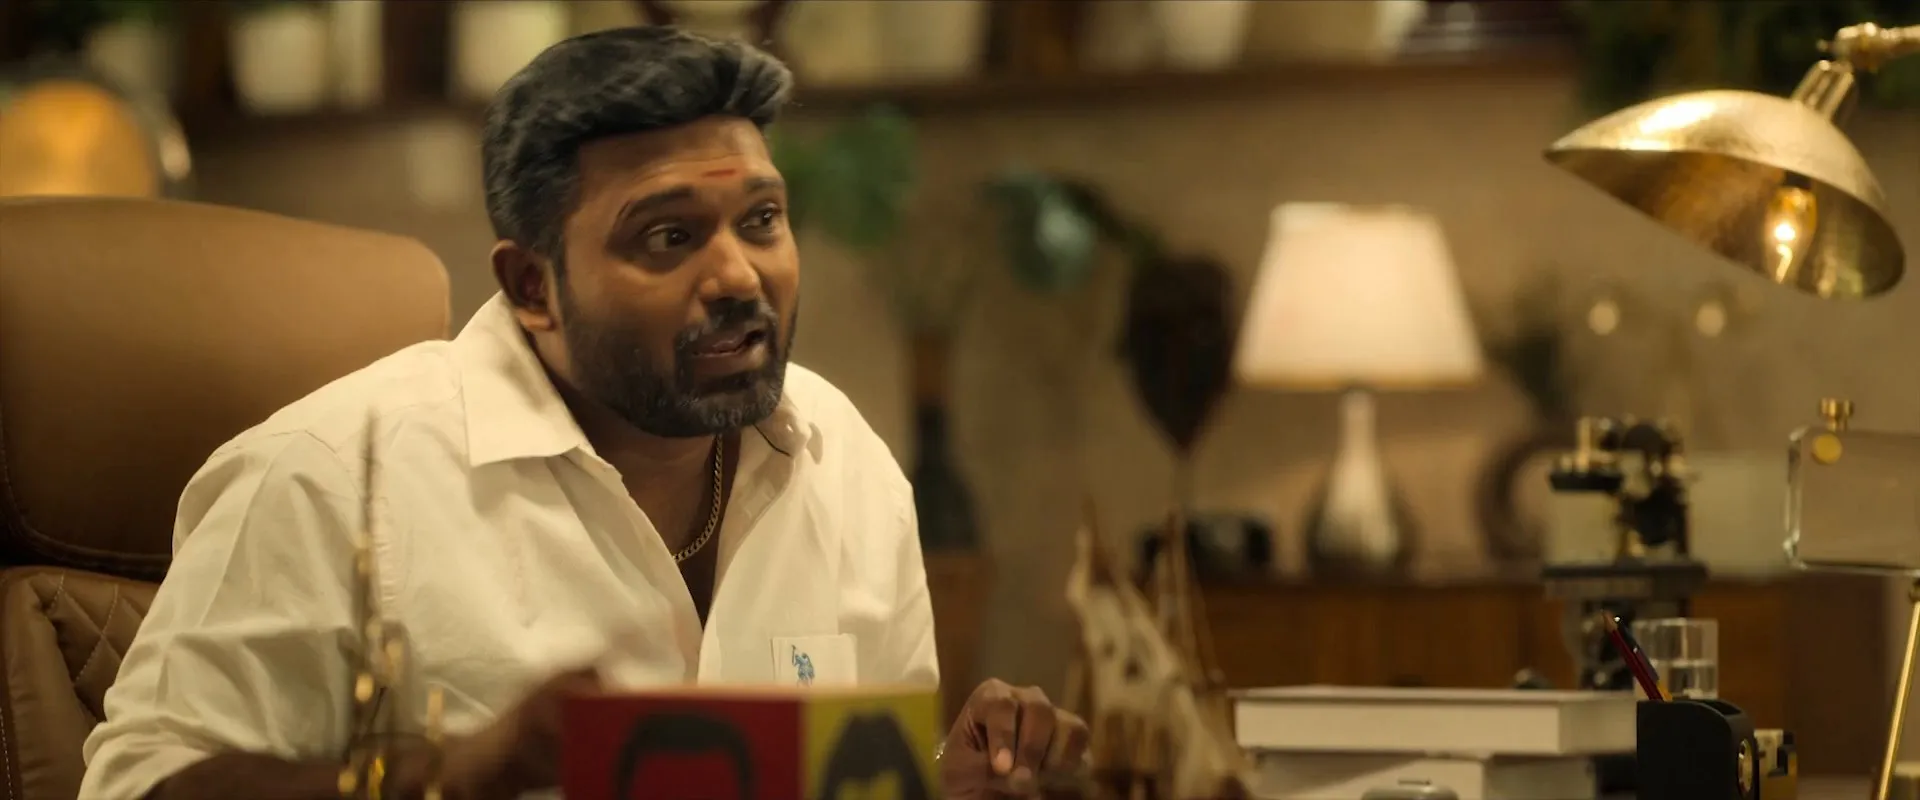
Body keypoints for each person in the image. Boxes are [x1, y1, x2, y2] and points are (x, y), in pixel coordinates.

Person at [79, 25, 1086, 800]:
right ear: (534, 286)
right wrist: (454, 774)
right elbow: (131, 787)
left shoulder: (846, 462)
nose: (740, 275)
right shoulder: (330, 476)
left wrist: (947, 780)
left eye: (762, 219)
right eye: (669, 236)